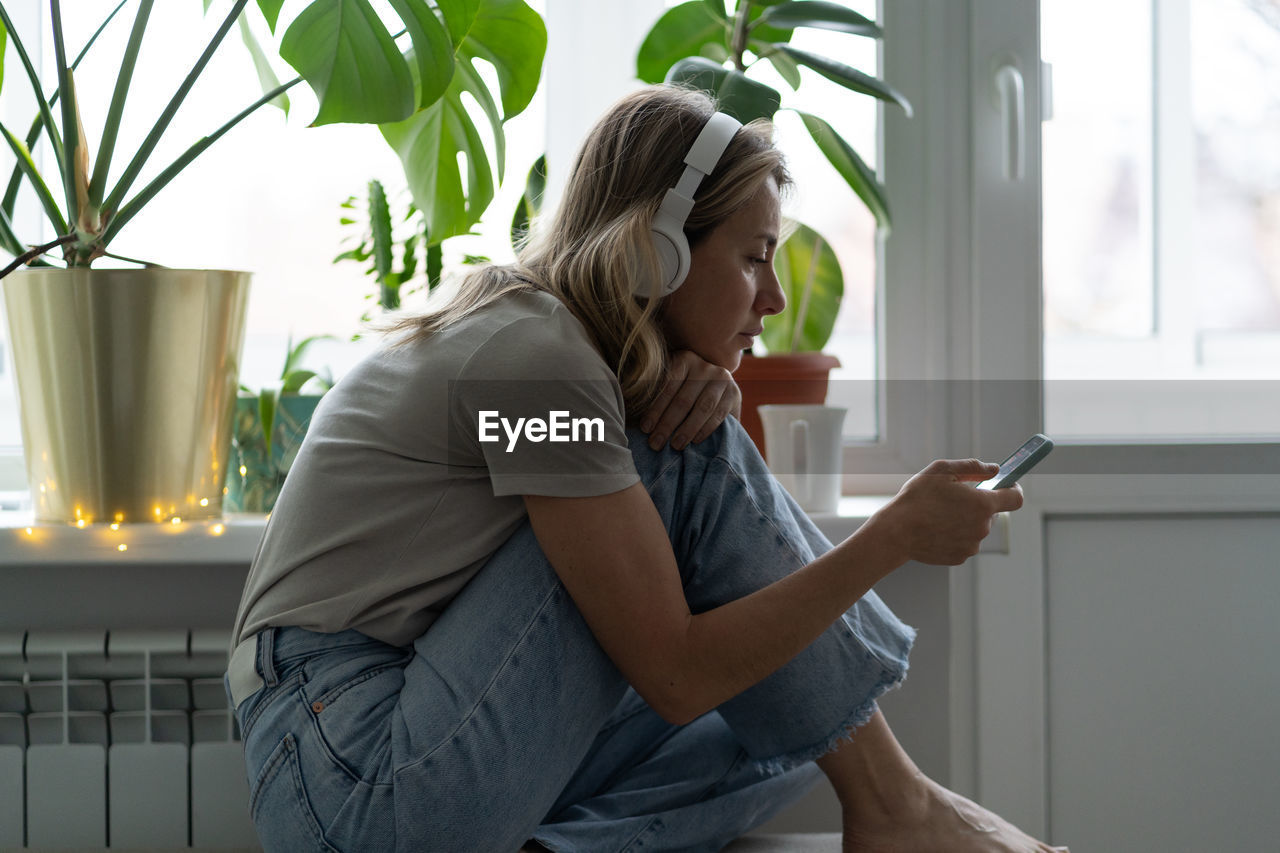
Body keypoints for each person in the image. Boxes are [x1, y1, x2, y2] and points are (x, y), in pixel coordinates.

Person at [225, 84, 1068, 853]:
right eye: (752, 257)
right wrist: (893, 536)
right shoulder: (533, 357)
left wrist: (683, 383)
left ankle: (883, 803)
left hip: (385, 753)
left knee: (802, 717)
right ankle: (902, 810)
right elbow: (674, 673)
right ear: (654, 253)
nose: (773, 299)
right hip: (353, 776)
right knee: (682, 462)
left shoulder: (559, 351)